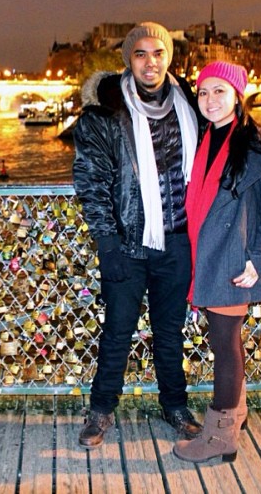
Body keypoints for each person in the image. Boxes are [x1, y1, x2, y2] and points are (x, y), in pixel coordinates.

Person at [73, 22, 202, 449]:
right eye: (141, 54)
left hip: (178, 238)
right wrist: (107, 243)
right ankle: (101, 409)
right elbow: (91, 182)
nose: (151, 62)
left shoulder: (192, 106)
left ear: (170, 58)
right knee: (118, 331)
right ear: (129, 60)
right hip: (128, 243)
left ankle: (176, 406)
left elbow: (227, 147)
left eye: (159, 53)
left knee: (170, 331)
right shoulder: (105, 113)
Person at [173, 61, 261, 463]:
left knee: (224, 344)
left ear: (237, 96)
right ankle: (237, 413)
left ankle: (220, 434)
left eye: (220, 91)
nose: (210, 100)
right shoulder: (207, 138)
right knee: (226, 341)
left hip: (234, 263)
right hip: (210, 258)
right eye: (204, 92)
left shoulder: (253, 146)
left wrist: (260, 260)